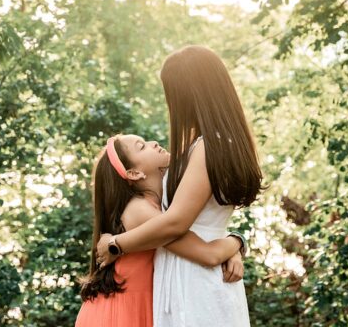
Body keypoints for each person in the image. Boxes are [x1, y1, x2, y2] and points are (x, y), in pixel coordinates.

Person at [95, 46, 263, 326]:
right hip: (189, 272)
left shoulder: (209, 146)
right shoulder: (205, 146)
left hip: (197, 281)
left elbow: (176, 222)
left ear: (187, 94)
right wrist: (235, 244)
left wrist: (115, 244)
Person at [76, 134, 245, 327]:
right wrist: (238, 242)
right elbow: (208, 253)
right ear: (133, 173)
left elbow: (201, 240)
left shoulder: (164, 210)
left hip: (142, 306)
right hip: (122, 312)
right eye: (142, 146)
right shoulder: (139, 210)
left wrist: (232, 252)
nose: (154, 143)